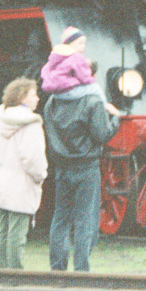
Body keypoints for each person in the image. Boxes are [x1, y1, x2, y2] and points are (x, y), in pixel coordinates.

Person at [43, 67, 116, 271]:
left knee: (61, 217)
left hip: (62, 166)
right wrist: (115, 119)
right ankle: (81, 267)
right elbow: (102, 135)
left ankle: (57, 267)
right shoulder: (92, 102)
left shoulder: (52, 102)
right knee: (86, 217)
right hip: (86, 165)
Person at [0, 77, 47, 269]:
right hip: (21, 183)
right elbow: (32, 158)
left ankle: (1, 270)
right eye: (33, 95)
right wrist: (41, 175)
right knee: (17, 232)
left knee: (3, 229)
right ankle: (15, 274)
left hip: (3, 178)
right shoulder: (31, 123)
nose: (38, 99)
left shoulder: (3, 118)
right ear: (23, 97)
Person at [40, 26, 122, 117]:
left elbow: (44, 71)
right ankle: (105, 106)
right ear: (70, 43)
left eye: (83, 43)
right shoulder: (76, 57)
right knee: (95, 88)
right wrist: (91, 79)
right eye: (80, 43)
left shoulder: (55, 57)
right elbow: (84, 77)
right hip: (70, 92)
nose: (83, 46)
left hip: (57, 94)